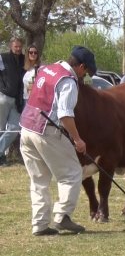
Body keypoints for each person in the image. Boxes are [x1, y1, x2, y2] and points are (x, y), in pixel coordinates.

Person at [19, 45, 97, 236]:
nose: (84, 76)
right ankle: (62, 216)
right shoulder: (68, 81)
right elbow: (64, 115)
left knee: (39, 179)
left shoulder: (47, 68)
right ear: (81, 66)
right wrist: (78, 139)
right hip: (47, 130)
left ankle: (39, 224)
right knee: (71, 173)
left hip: (26, 128)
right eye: (86, 71)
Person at [0, 37, 25, 166]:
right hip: (3, 97)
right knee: (1, 128)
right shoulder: (2, 57)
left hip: (17, 100)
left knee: (14, 129)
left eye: (20, 46)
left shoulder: (24, 60)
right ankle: (2, 157)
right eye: (16, 46)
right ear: (11, 46)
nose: (18, 49)